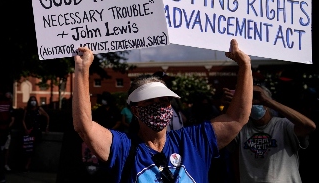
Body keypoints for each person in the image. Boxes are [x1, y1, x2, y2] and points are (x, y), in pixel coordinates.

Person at [73, 39, 253, 182]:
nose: (159, 106)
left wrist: (245, 65)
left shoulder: (194, 142)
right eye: (150, 101)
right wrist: (82, 69)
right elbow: (84, 126)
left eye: (164, 101)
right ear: (135, 111)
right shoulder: (124, 147)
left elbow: (236, 117)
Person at [228, 83, 316, 182]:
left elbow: (309, 126)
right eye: (249, 97)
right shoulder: (241, 129)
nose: (252, 101)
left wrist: (267, 101)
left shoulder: (283, 125)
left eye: (255, 96)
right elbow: (220, 140)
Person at [22, 96, 49, 171]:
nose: (33, 102)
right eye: (31, 100)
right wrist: (26, 129)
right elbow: (23, 120)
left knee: (32, 148)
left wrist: (46, 127)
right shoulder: (27, 110)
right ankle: (26, 164)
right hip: (29, 132)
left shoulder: (39, 109)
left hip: (36, 131)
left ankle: (27, 165)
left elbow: (47, 116)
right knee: (27, 148)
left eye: (34, 100)